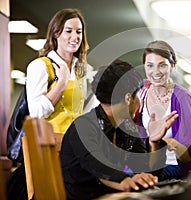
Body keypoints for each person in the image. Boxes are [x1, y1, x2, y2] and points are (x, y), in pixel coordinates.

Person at [59, 59, 179, 200]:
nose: (139, 102)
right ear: (128, 98)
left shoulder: (128, 129)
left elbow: (148, 173)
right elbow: (98, 165)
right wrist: (126, 181)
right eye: (138, 96)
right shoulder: (83, 126)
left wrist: (154, 142)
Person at [6, 8, 89, 200]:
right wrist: (60, 84)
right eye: (68, 31)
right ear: (56, 33)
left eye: (79, 31)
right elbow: (35, 113)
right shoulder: (41, 66)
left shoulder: (79, 69)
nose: (75, 36)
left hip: (73, 151)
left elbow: (76, 113)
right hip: (49, 151)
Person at [134, 40, 191, 180]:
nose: (155, 72)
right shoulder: (141, 91)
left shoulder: (182, 98)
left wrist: (170, 143)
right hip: (147, 165)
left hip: (174, 166)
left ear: (172, 66)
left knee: (138, 178)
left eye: (162, 65)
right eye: (150, 65)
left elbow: (188, 156)